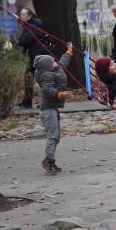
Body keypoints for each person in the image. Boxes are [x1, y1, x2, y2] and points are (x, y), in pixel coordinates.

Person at [33, 44, 74, 175]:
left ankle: (51, 160)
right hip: (48, 110)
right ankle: (48, 161)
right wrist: (60, 94)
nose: (56, 62)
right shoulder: (46, 76)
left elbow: (63, 62)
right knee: (53, 137)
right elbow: (47, 90)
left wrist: (69, 51)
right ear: (48, 66)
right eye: (53, 61)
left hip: (53, 109)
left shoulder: (55, 70)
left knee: (56, 137)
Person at [17, 7, 49, 108]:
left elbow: (24, 41)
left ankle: (46, 102)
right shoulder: (30, 25)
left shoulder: (32, 26)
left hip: (37, 57)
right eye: (20, 14)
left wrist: (15, 44)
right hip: (34, 56)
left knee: (39, 79)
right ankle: (27, 102)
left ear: (29, 16)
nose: (21, 16)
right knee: (29, 79)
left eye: (23, 15)